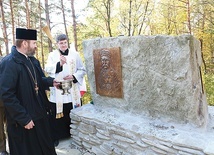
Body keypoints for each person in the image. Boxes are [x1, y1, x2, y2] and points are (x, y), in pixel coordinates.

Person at [0, 28, 59, 155]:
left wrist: (51, 82)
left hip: (39, 116)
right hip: (23, 121)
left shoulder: (33, 60)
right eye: (34, 43)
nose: (36, 46)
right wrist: (23, 118)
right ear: (25, 43)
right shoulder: (9, 63)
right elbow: (7, 94)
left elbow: (38, 81)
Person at [45, 34, 86, 146]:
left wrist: (73, 76)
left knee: (72, 111)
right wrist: (59, 64)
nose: (63, 45)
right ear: (57, 44)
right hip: (58, 89)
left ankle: (74, 134)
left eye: (65, 42)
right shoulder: (52, 55)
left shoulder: (75, 54)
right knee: (58, 113)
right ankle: (56, 136)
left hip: (72, 89)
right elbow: (47, 68)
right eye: (61, 43)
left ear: (67, 42)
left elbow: (82, 70)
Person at [0, 56, 9, 155]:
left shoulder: (5, 60)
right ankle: (2, 149)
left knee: (11, 125)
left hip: (8, 98)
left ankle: (15, 146)